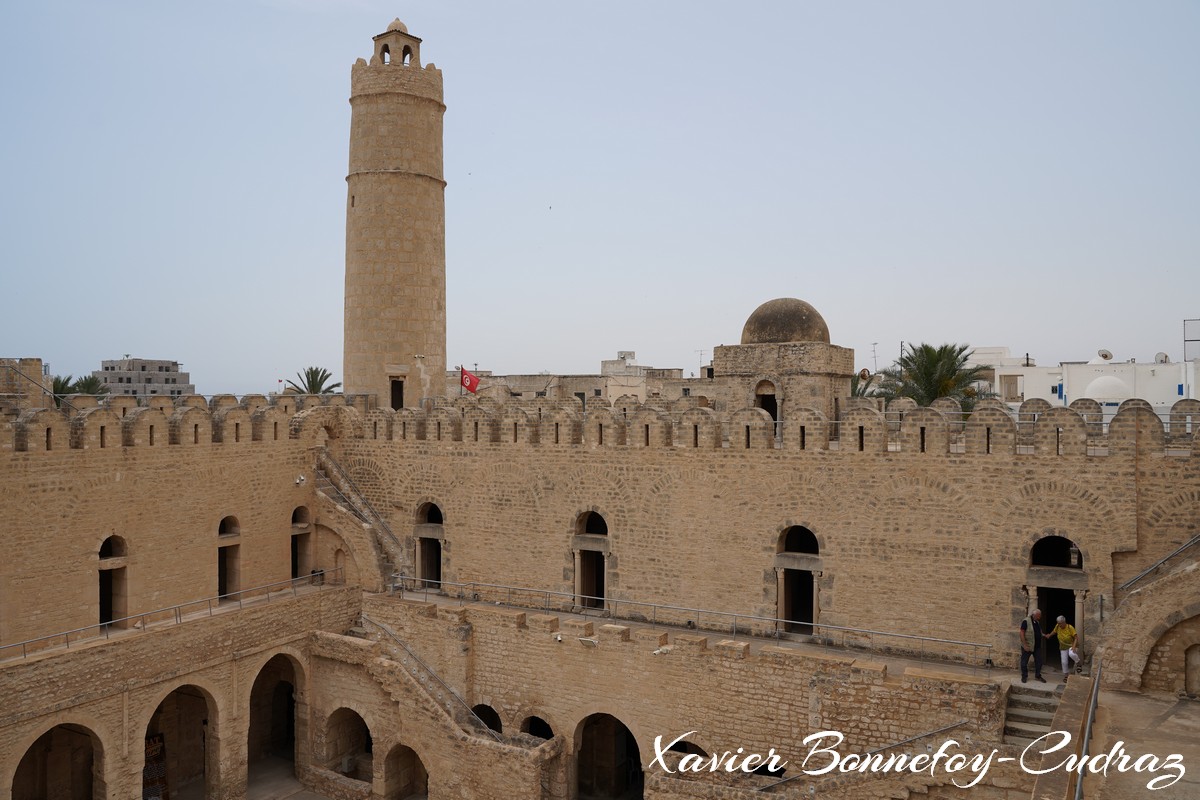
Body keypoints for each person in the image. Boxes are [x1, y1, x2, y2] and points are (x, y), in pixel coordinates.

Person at [1019, 608, 1046, 683]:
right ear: (1034, 615)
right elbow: (1021, 633)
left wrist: (1044, 635)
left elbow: (1037, 632)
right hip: (1028, 646)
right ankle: (1024, 676)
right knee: (1024, 662)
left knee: (1039, 662)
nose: (1039, 617)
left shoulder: (1037, 622)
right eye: (1038, 616)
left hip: (1036, 646)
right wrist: (1025, 645)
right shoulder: (1026, 621)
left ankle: (1038, 676)